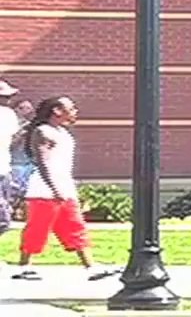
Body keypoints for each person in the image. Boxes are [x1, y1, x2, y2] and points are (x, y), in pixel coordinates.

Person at [10, 96, 114, 281]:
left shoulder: (63, 133)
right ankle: (23, 266)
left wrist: (65, 187)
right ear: (57, 111)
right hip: (44, 191)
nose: (75, 112)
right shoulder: (43, 132)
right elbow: (42, 162)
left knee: (75, 226)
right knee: (37, 228)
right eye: (71, 108)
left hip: (64, 186)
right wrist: (54, 188)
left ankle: (91, 267)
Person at [0, 81, 19, 236]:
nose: (8, 100)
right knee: (2, 218)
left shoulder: (8, 114)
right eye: (4, 97)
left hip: (4, 169)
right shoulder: (7, 115)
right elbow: (13, 142)